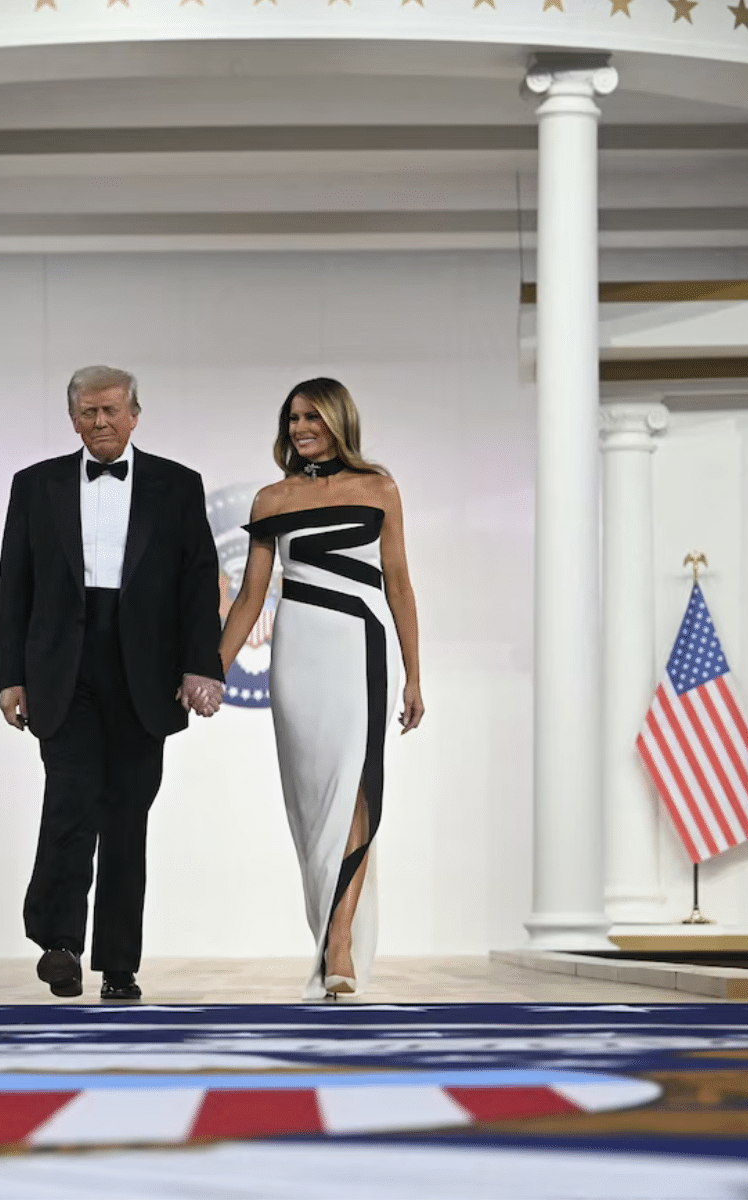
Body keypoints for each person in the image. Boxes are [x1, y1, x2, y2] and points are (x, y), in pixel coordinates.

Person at [0, 365, 224, 1001]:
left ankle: (119, 964)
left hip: (143, 671)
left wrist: (201, 663)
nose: (100, 423)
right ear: (73, 419)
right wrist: (9, 675)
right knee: (69, 799)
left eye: (111, 412)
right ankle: (60, 944)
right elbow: (14, 585)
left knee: (127, 814)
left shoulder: (179, 486)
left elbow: (198, 580)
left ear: (134, 414)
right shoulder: (34, 485)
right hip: (62, 668)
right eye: (88, 413)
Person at [219, 378, 424, 1000]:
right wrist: (212, 668)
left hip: (362, 648)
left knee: (355, 786)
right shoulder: (270, 499)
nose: (299, 427)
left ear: (338, 419)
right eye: (291, 419)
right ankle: (331, 932)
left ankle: (339, 941)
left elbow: (399, 585)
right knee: (312, 804)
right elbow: (252, 596)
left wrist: (415, 674)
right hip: (298, 654)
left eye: (310, 416)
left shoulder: (379, 488)